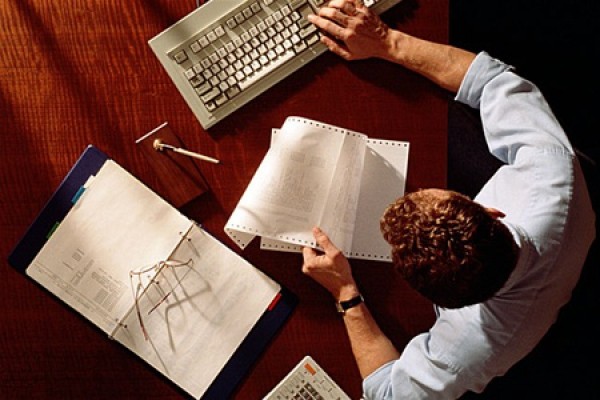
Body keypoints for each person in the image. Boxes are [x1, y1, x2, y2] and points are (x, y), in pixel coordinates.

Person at [301, 0, 597, 398]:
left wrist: (346, 294)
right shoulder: (550, 171)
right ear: (491, 211)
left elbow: (386, 394)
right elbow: (490, 81)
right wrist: (385, 41)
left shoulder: (467, 349)